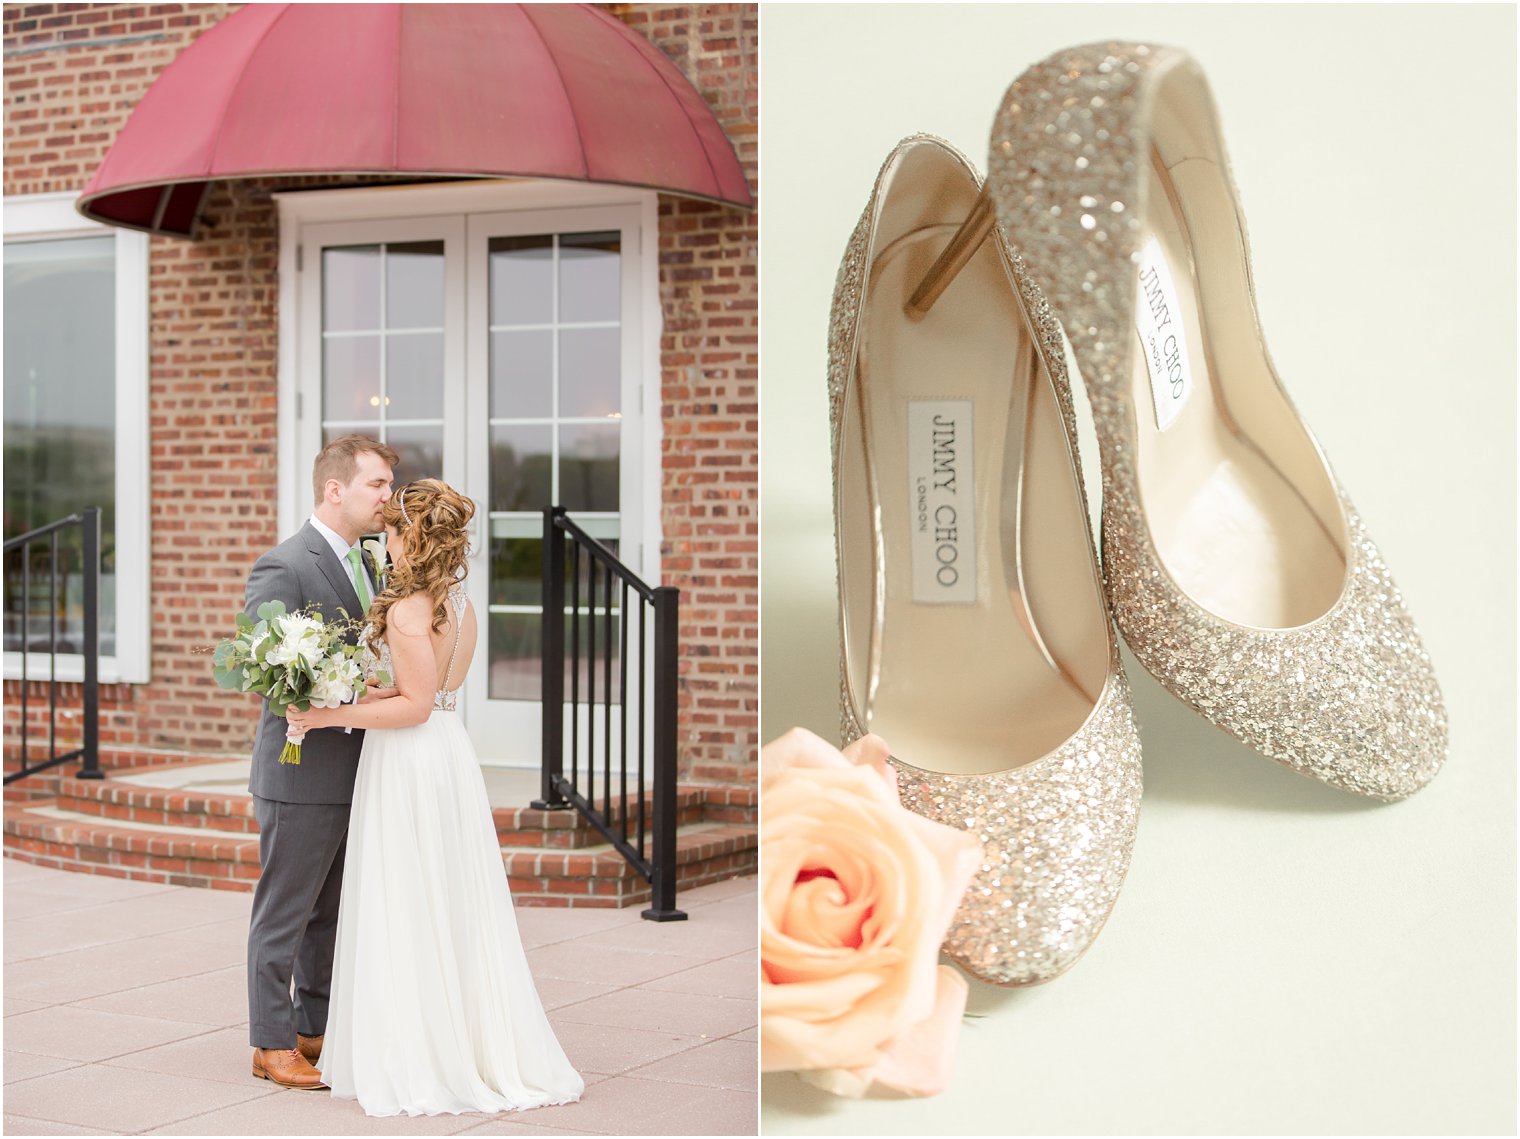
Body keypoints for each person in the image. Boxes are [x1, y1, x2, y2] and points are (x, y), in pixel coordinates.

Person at [285, 479, 584, 1116]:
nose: (383, 545)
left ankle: (419, 1056)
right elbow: (433, 692)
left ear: (409, 537)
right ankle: (462, 1038)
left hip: (409, 762)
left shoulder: (405, 609)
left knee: (405, 897)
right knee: (447, 898)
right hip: (449, 753)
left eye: (389, 533)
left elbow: (414, 707)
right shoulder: (460, 602)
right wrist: (362, 696)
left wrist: (325, 718)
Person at [245, 434, 397, 1090]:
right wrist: (339, 692)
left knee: (331, 911)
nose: (388, 498)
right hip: (300, 771)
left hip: (357, 769)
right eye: (378, 485)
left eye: (389, 485)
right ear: (335, 489)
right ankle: (270, 1042)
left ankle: (314, 1029)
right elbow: (264, 672)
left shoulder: (371, 564)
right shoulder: (285, 564)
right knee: (286, 910)